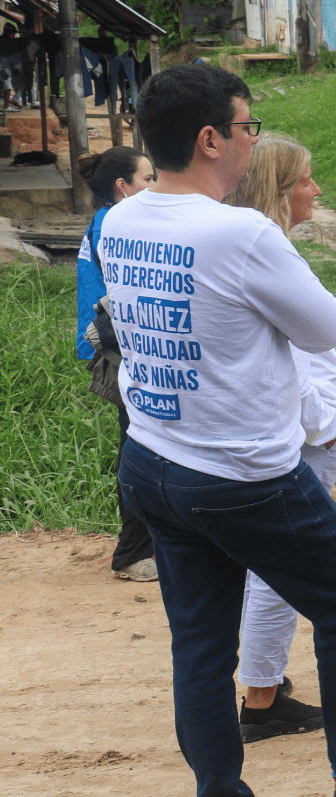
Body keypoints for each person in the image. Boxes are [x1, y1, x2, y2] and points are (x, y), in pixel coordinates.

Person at [108, 62, 336, 797]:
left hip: (153, 459)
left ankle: (221, 790)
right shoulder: (238, 234)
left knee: (201, 645)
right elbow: (325, 326)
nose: (251, 141)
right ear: (209, 139)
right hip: (243, 473)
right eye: (246, 127)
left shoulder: (122, 217)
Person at [222, 131, 336, 744]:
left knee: (262, 568)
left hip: (289, 431)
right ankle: (263, 697)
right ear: (278, 187)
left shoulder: (256, 247)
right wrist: (321, 423)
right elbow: (291, 355)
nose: (315, 190)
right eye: (305, 180)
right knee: (282, 570)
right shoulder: (266, 253)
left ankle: (260, 679)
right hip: (301, 436)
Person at [72, 145, 157, 582]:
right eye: (147, 179)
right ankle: (131, 552)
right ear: (122, 187)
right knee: (139, 444)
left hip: (119, 345)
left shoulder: (108, 219)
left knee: (142, 441)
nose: (154, 186)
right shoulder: (116, 224)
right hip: (118, 349)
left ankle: (148, 545)